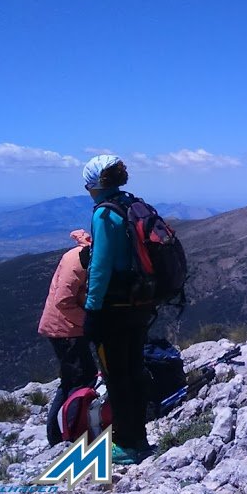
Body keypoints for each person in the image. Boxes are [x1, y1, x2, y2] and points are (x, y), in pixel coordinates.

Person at [80, 155, 152, 465]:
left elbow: (100, 266)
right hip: (140, 304)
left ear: (94, 185)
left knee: (116, 376)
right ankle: (140, 437)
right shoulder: (130, 204)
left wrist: (91, 310)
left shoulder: (104, 213)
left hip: (113, 309)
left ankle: (125, 444)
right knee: (134, 369)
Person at [38, 229, 98, 446]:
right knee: (82, 377)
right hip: (64, 329)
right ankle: (68, 433)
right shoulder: (77, 261)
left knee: (72, 378)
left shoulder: (84, 256)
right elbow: (63, 301)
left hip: (67, 327)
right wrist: (88, 322)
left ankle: (57, 433)